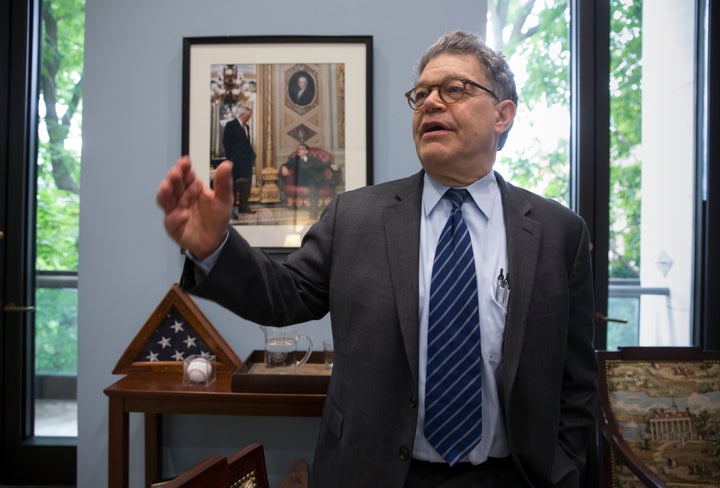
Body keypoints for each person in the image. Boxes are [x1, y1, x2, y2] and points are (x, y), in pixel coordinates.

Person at [157, 30, 597, 487]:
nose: (430, 103)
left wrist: (563, 472)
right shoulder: (356, 216)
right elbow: (283, 296)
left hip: (508, 476)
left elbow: (576, 383)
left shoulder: (557, 233)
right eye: (421, 93)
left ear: (503, 115)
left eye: (454, 90)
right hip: (375, 474)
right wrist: (214, 249)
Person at [279, 143, 338, 216]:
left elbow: (322, 164)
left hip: (312, 181)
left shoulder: (312, 159)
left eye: (302, 149)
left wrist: (330, 165)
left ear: (306, 151)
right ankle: (322, 181)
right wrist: (283, 167)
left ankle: (313, 211)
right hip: (301, 180)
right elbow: (286, 164)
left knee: (312, 183)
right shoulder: (294, 159)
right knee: (308, 172)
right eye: (298, 149)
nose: (299, 150)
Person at [222, 104, 256, 215]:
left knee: (246, 185)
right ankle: (231, 210)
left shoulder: (247, 127)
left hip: (246, 162)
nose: (249, 118)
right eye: (248, 115)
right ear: (242, 114)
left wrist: (252, 156)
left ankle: (244, 206)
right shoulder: (230, 125)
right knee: (233, 186)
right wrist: (231, 159)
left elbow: (246, 144)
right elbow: (226, 143)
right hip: (235, 162)